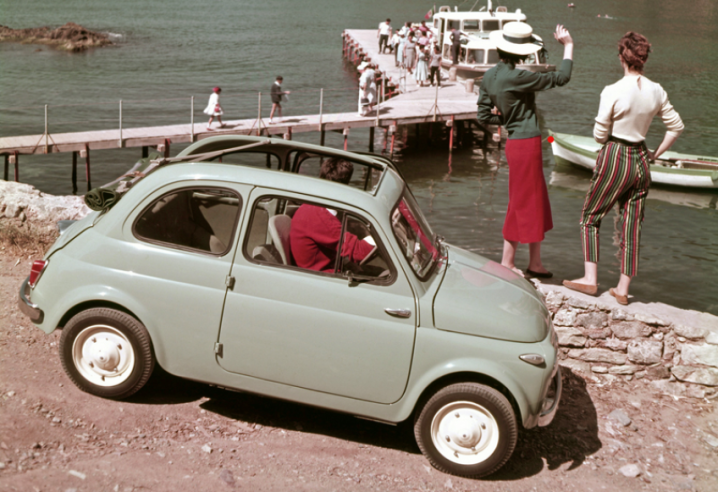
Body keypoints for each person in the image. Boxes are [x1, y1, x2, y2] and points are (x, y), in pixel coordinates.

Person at [563, 32, 684, 304]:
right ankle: (622, 289)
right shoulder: (657, 90)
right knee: (632, 226)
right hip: (641, 158)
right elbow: (676, 126)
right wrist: (654, 153)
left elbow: (598, 136)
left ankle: (590, 280)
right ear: (643, 59)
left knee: (590, 217)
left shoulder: (612, 90)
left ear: (622, 58)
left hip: (616, 155)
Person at [477, 23, 574, 277]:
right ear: (521, 53)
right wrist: (569, 46)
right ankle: (507, 262)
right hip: (527, 144)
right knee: (523, 201)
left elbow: (483, 115)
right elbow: (561, 78)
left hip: (514, 143)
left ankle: (535, 263)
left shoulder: (489, 76)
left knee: (531, 199)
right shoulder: (518, 76)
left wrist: (507, 121)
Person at [290, 158, 374, 272]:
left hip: (329, 267)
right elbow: (360, 252)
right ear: (342, 188)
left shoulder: (313, 206)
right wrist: (382, 235)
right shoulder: (320, 217)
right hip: (321, 277)